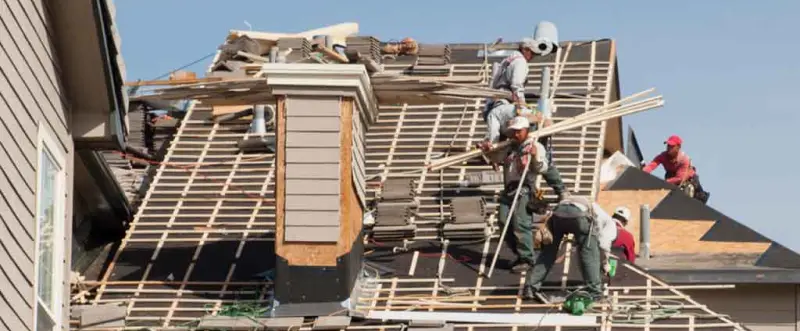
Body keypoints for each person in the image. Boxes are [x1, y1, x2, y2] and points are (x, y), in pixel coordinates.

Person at [497, 116, 567, 273]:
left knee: (520, 224)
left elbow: (542, 168)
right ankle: (520, 253)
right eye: (513, 132)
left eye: (518, 131)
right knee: (503, 221)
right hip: (508, 190)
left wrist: (534, 156)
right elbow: (496, 158)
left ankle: (527, 259)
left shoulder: (534, 146)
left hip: (524, 189)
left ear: (526, 130)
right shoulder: (510, 147)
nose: (515, 135)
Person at [523, 195, 617, 302]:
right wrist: (605, 264)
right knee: (589, 253)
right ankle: (595, 291)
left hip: (558, 212)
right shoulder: (609, 224)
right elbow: (603, 245)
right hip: (578, 214)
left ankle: (531, 287)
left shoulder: (598, 212)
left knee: (548, 252)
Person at [642, 135, 709, 203]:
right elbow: (652, 165)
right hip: (672, 175)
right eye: (668, 146)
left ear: (678, 147)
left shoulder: (684, 159)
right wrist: (642, 172)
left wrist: (664, 183)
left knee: (698, 195)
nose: (669, 148)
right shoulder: (663, 156)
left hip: (688, 178)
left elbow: (680, 178)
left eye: (672, 146)